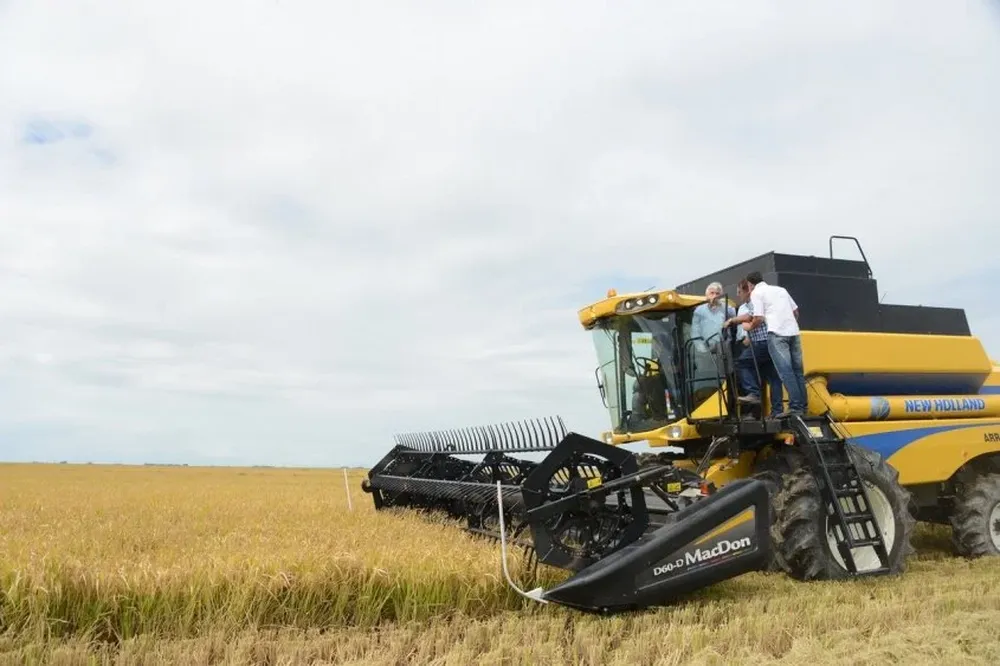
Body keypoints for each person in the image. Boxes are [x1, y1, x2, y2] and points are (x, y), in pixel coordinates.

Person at [744, 271, 808, 417]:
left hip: (777, 334)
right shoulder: (781, 290)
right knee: (798, 371)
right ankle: (803, 407)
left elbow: (758, 318)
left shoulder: (756, 293)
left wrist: (749, 327)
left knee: (786, 372)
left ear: (750, 284)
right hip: (794, 333)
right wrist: (789, 324)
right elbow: (796, 312)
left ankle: (795, 407)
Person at [724, 279, 784, 416]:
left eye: (739, 292)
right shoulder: (767, 299)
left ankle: (754, 393)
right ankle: (777, 411)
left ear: (747, 290)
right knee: (773, 377)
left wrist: (732, 321)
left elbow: (751, 316)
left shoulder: (754, 299)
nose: (738, 295)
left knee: (743, 363)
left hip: (762, 341)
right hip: (771, 342)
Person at [691, 282, 736, 352]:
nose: (715, 296)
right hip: (706, 351)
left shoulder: (727, 308)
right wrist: (701, 348)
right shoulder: (699, 311)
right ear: (707, 295)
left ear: (721, 295)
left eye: (717, 293)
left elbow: (737, 322)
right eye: (712, 293)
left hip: (724, 349)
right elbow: (695, 331)